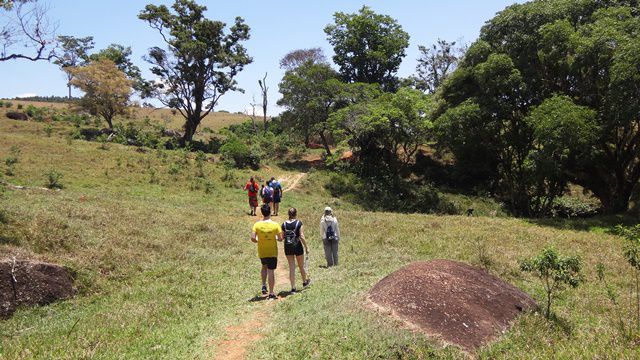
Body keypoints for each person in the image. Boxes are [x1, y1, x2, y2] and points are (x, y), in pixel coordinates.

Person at [251, 204, 283, 300]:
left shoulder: (256, 225)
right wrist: (276, 238)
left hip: (262, 250)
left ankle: (264, 285)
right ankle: (272, 292)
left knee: (264, 266)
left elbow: (253, 238)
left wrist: (258, 240)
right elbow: (281, 238)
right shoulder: (275, 225)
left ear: (262, 213)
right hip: (272, 251)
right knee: (271, 271)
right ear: (270, 212)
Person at [281, 207, 310, 293]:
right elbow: (301, 236)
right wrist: (306, 247)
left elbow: (282, 237)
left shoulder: (284, 224)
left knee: (292, 267)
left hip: (288, 246)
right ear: (295, 214)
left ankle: (293, 288)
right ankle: (304, 282)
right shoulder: (299, 223)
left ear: (288, 214)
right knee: (301, 266)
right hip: (297, 246)